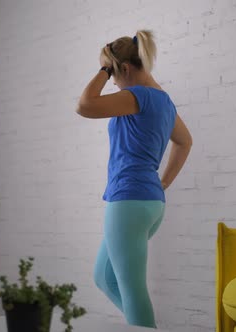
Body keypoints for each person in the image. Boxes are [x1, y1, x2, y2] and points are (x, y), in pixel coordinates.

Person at [77, 30, 193, 328]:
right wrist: (163, 183)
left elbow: (85, 105)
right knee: (104, 277)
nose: (113, 81)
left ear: (124, 68)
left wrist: (103, 69)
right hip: (150, 201)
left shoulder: (136, 96)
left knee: (132, 290)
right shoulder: (163, 101)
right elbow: (185, 141)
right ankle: (141, 327)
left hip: (128, 201)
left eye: (114, 74)